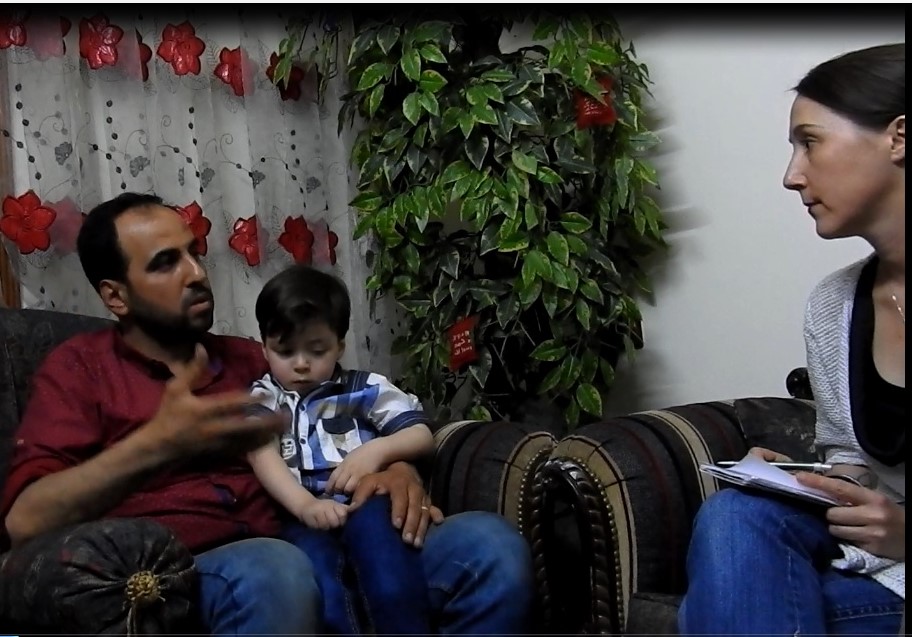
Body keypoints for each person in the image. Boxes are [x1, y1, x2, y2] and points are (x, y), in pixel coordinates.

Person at [0, 193, 535, 635]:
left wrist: (397, 468)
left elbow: (353, 415)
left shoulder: (259, 360)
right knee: (275, 570)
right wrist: (155, 445)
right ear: (116, 296)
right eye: (166, 263)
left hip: (333, 538)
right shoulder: (80, 369)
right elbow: (25, 519)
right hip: (199, 571)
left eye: (194, 253)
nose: (196, 273)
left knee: (488, 547)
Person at [678, 43, 905, 636]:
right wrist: (807, 482)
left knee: (730, 608)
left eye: (810, 142)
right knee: (740, 511)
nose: (791, 176)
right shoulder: (834, 304)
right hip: (883, 566)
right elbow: (853, 459)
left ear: (899, 137)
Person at [247, 263, 435, 634]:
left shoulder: (364, 388)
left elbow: (421, 434)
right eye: (285, 351)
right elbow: (260, 452)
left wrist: (376, 452)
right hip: (300, 518)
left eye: (317, 350)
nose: (301, 364)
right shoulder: (265, 398)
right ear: (265, 347)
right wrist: (306, 506)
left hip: (367, 503)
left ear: (339, 346)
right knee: (322, 587)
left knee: (389, 573)